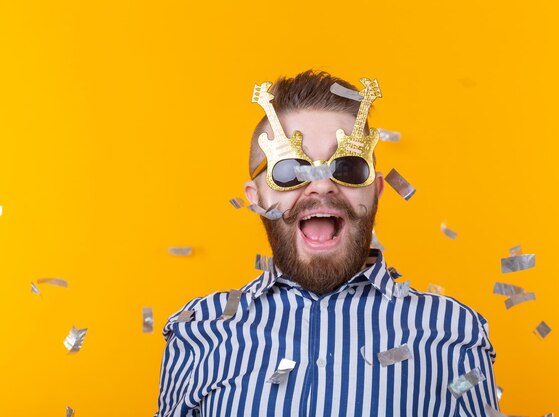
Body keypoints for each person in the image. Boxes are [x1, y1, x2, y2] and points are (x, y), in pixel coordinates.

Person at [154, 70, 499, 417]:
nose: (320, 185)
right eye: (289, 170)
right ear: (255, 196)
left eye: (347, 167)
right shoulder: (197, 330)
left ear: (376, 190)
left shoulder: (455, 331)